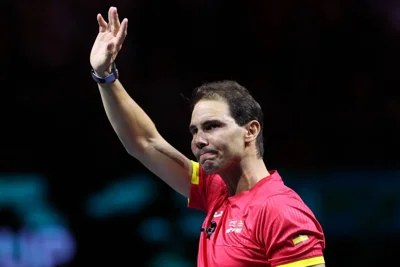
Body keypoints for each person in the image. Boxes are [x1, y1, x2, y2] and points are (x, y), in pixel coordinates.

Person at [90, 6, 326, 267]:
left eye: (212, 126)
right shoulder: (216, 191)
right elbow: (145, 143)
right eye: (194, 130)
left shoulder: (280, 210)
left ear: (250, 130)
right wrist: (105, 77)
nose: (199, 140)